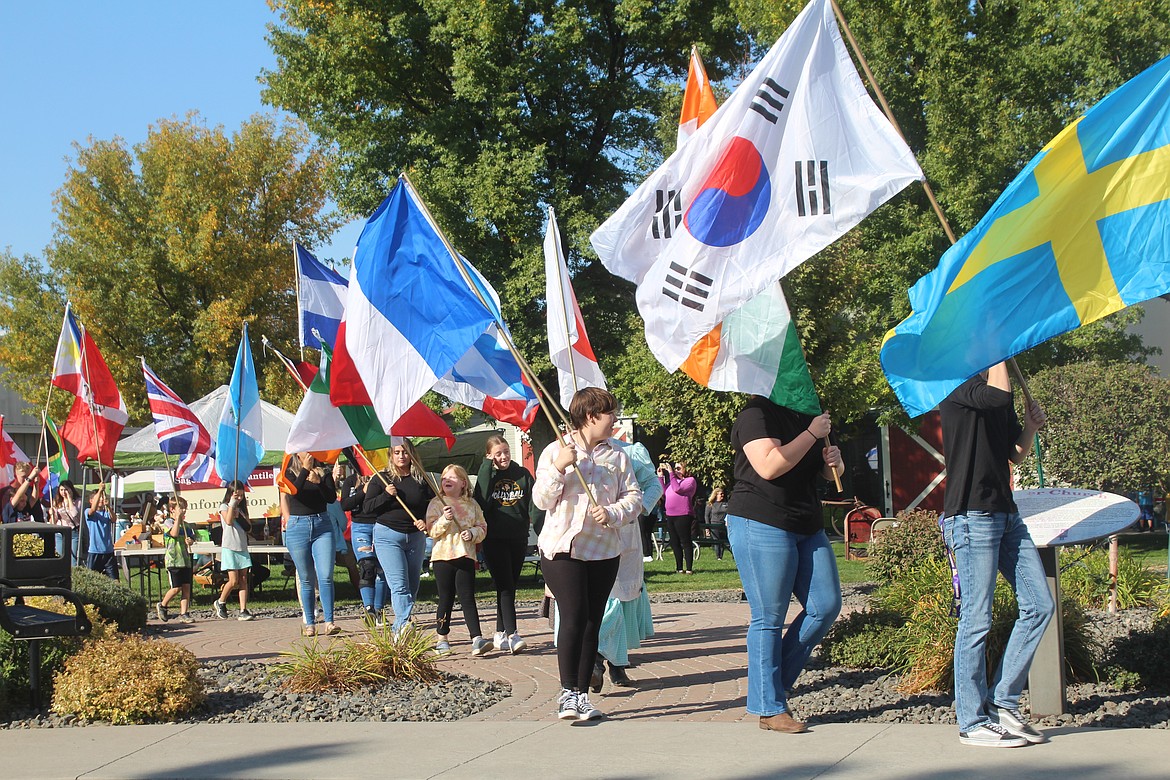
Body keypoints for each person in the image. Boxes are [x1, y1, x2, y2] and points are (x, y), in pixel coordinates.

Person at [940, 362, 1054, 748]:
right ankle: (971, 723)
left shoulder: (992, 390)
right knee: (976, 619)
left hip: (1006, 514)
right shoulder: (956, 384)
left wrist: (1030, 428)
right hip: (971, 516)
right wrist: (998, 356)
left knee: (1040, 605)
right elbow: (999, 395)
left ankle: (1002, 702)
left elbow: (1014, 454)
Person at [725, 396, 844, 734]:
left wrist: (831, 462)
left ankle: (774, 686)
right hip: (761, 519)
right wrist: (810, 433)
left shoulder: (808, 411)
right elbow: (769, 466)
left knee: (825, 605)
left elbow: (831, 469)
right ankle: (768, 706)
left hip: (806, 522)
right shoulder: (755, 414)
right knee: (768, 617)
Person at [535, 387, 641, 722]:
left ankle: (582, 696)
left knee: (593, 618)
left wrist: (613, 512)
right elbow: (541, 500)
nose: (615, 420)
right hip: (562, 548)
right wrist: (559, 469)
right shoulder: (556, 450)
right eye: (610, 414)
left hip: (604, 550)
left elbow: (634, 498)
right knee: (575, 614)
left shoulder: (618, 456)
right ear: (591, 415)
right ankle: (567, 694)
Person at [593, 437, 662, 690]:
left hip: (625, 535)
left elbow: (654, 484)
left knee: (620, 599)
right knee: (601, 599)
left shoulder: (629, 451)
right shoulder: (574, 450)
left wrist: (639, 507)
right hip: (591, 537)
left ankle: (613, 663)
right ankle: (599, 659)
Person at [473, 434, 540, 654]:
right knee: (504, 585)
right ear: (490, 456)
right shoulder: (488, 475)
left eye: (506, 451)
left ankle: (500, 633)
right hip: (494, 538)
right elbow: (480, 500)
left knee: (510, 584)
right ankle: (513, 634)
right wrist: (487, 467)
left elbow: (533, 503)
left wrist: (539, 529)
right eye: (498, 453)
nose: (504, 457)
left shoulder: (522, 474)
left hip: (518, 536)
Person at [363, 438, 433, 634]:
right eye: (397, 452)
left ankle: (404, 622)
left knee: (413, 584)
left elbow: (431, 506)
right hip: (388, 536)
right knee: (399, 585)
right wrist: (386, 495)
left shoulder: (421, 479)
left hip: (415, 537)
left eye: (405, 452)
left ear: (412, 454)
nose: (401, 456)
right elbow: (367, 508)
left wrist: (425, 521)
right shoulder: (382, 479)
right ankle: (401, 626)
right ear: (391, 456)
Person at [426, 464, 488, 655]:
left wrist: (472, 532)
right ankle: (442, 637)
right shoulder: (437, 503)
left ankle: (476, 638)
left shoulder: (472, 504)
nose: (446, 481)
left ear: (463, 482)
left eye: (452, 478)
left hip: (465, 555)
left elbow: (483, 527)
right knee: (445, 598)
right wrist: (444, 519)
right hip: (442, 557)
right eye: (444, 477)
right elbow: (432, 530)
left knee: (467, 597)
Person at [281, 453, 339, 637]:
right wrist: (305, 470)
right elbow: (294, 492)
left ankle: (329, 622)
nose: (308, 454)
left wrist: (319, 482)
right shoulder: (289, 472)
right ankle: (310, 623)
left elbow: (331, 498)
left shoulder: (324, 471)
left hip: (322, 524)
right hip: (298, 525)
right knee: (306, 577)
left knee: (325, 575)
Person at [341, 465, 389, 625]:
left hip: (381, 525)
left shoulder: (383, 479)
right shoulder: (351, 481)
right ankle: (369, 610)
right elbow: (345, 505)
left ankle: (379, 610)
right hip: (360, 527)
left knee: (382, 569)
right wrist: (363, 491)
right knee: (367, 567)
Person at [214, 481, 255, 621]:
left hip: (242, 546)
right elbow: (229, 521)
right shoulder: (224, 506)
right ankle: (221, 601)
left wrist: (241, 515)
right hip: (230, 546)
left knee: (244, 579)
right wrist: (232, 505)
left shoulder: (242, 509)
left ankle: (243, 609)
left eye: (241, 496)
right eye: (237, 496)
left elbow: (249, 527)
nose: (240, 499)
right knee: (233, 580)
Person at [157, 497, 195, 623]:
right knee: (176, 588)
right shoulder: (168, 522)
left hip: (185, 560)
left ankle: (184, 613)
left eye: (185, 509)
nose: (184, 511)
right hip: (174, 560)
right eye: (181, 508)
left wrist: (190, 540)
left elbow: (191, 537)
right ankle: (163, 605)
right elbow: (173, 533)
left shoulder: (187, 526)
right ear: (172, 509)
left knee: (186, 588)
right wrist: (177, 518)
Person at [658, 459, 697, 574]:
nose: (676, 471)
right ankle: (679, 568)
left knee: (685, 541)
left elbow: (677, 489)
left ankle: (689, 568)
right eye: (675, 468)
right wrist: (660, 477)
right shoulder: (673, 481)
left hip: (683, 514)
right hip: (671, 515)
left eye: (679, 468)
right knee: (674, 542)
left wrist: (670, 473)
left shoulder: (690, 481)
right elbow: (665, 492)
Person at [84, 485, 117, 579]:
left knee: (114, 579)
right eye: (99, 498)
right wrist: (100, 490)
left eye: (103, 497)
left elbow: (114, 519)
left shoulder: (106, 512)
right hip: (95, 551)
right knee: (91, 579)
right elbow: (92, 510)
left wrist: (109, 507)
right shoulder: (88, 512)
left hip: (108, 551)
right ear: (91, 501)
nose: (101, 500)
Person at [48, 480, 82, 563]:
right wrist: (52, 514)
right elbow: (53, 522)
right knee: (61, 557)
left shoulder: (78, 501)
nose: (64, 492)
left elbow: (74, 514)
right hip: (60, 532)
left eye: (66, 489)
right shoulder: (57, 502)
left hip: (72, 531)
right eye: (61, 490)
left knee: (73, 558)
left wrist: (69, 499)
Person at [705, 487, 730, 561]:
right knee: (716, 541)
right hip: (714, 525)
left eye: (722, 494)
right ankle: (718, 556)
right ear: (716, 495)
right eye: (720, 494)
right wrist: (707, 527)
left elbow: (729, 513)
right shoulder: (710, 504)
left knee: (722, 541)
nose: (722, 495)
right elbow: (706, 516)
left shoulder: (726, 504)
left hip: (723, 525)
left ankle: (721, 556)